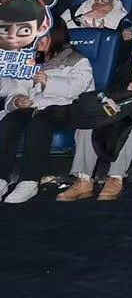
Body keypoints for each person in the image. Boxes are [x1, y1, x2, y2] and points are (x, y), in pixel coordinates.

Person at [0, 22, 95, 203]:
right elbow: (18, 87)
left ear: (55, 36)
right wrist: (17, 100)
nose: (36, 41)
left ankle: (29, 180)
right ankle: (2, 178)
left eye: (41, 36)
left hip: (66, 107)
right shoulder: (32, 61)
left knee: (39, 122)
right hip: (36, 107)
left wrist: (48, 82)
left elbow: (79, 87)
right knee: (11, 118)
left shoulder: (76, 60)